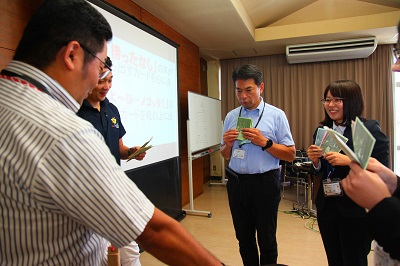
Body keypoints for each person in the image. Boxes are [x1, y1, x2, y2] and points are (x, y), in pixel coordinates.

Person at [0, 1, 223, 265]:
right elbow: (153, 231)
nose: (98, 80)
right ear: (72, 54)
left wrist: (131, 151)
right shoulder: (66, 133)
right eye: (99, 66)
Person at [307, 80, 390, 266]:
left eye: (337, 100)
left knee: (354, 260)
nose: (330, 105)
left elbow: (384, 170)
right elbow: (318, 171)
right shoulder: (322, 130)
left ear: (351, 101)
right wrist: (315, 162)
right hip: (327, 206)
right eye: (327, 100)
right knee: (334, 259)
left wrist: (350, 161)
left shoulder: (367, 129)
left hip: (355, 209)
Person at [220, 64, 296, 266]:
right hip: (236, 184)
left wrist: (265, 143)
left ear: (261, 87)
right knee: (244, 239)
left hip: (265, 183)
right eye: (238, 90)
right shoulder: (231, 116)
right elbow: (225, 154)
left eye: (248, 90)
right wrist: (227, 145)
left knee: (267, 239)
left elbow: (290, 154)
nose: (243, 96)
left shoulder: (276, 115)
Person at [341, 20, 400, 263]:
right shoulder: (322, 128)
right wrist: (396, 184)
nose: (395, 67)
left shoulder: (370, 127)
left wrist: (381, 204)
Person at [77, 57, 145, 266]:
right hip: (89, 195)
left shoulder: (111, 109)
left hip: (115, 189)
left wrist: (132, 152)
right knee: (102, 254)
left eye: (110, 80)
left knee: (131, 249)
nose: (106, 86)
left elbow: (120, 148)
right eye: (101, 81)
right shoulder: (76, 111)